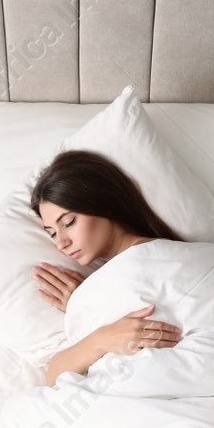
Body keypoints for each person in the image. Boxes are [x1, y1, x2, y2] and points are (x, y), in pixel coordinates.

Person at [30, 150, 185, 385]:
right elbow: (53, 378)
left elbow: (53, 379)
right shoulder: (100, 286)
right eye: (52, 233)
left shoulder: (163, 258)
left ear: (103, 202)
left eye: (68, 223)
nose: (61, 243)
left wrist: (91, 309)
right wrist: (86, 305)